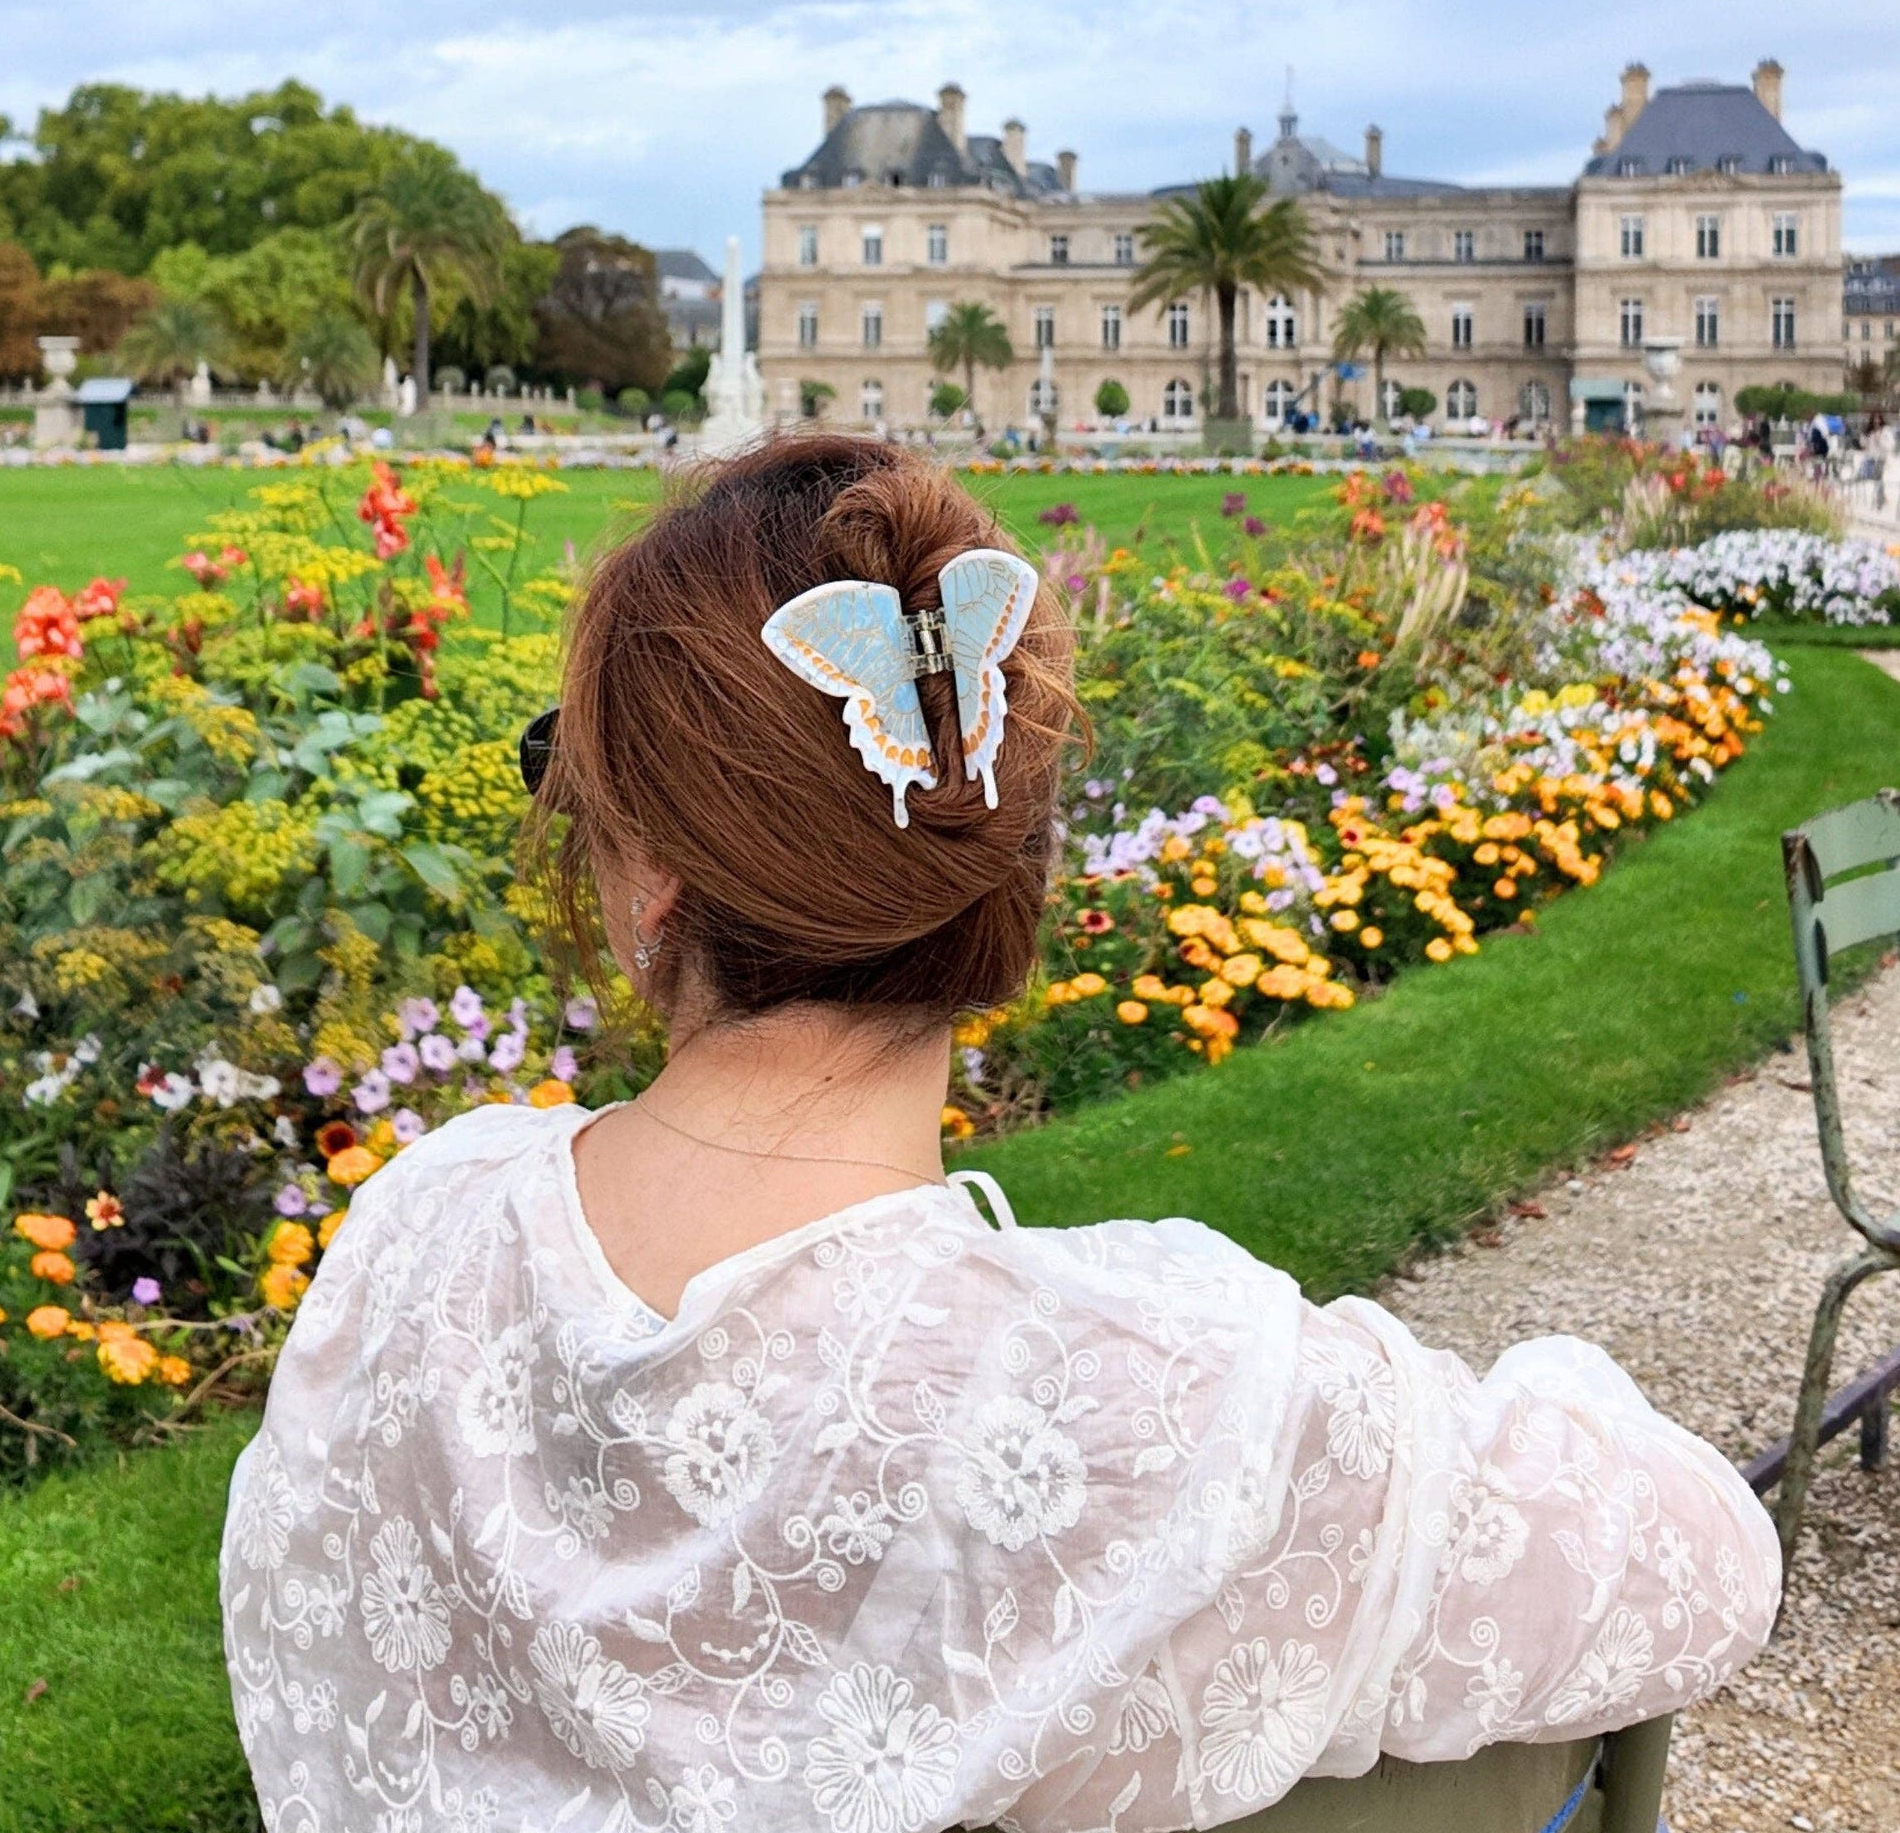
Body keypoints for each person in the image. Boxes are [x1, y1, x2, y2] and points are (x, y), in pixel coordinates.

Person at [221, 435, 1779, 1833]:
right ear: (1012, 860)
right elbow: (1704, 1559)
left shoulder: (422, 1237)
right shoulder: (1148, 1399)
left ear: (650, 884)